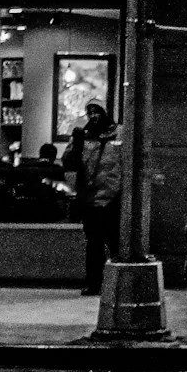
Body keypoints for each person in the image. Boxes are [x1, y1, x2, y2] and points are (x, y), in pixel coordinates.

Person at [76, 119, 124, 296]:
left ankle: (98, 283)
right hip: (104, 200)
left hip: (98, 200)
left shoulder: (92, 145)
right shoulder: (112, 144)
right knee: (108, 244)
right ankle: (112, 284)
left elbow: (80, 168)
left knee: (98, 245)